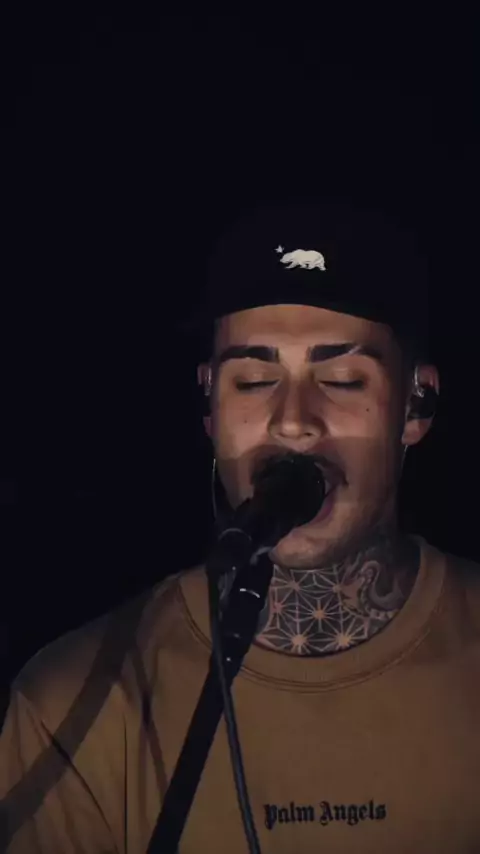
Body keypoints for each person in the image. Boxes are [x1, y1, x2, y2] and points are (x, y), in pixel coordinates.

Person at [1, 201, 480, 854]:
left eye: (343, 379)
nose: (293, 421)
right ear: (209, 404)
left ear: (417, 404)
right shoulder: (72, 703)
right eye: (253, 381)